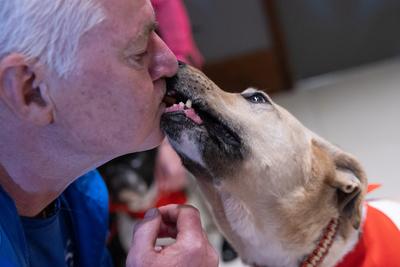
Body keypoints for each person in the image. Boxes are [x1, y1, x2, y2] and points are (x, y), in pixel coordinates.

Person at [0, 0, 218, 266]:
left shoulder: (80, 195)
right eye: (139, 52)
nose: (170, 63)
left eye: (156, 32)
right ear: (31, 91)